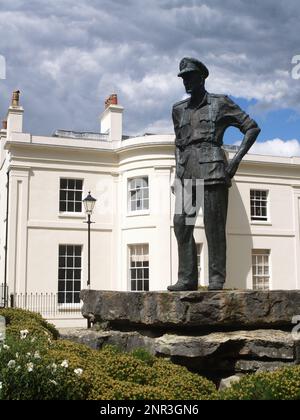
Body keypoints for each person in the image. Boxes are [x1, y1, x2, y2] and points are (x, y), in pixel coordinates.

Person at [168, 57, 261, 291]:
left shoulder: (220, 103)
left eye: (190, 76)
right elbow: (178, 144)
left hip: (213, 170)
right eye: (183, 78)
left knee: (214, 227)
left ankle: (216, 279)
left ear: (202, 77)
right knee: (181, 224)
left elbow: (251, 127)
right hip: (188, 174)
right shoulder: (178, 110)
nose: (186, 81)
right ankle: (187, 277)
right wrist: (178, 171)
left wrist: (235, 162)